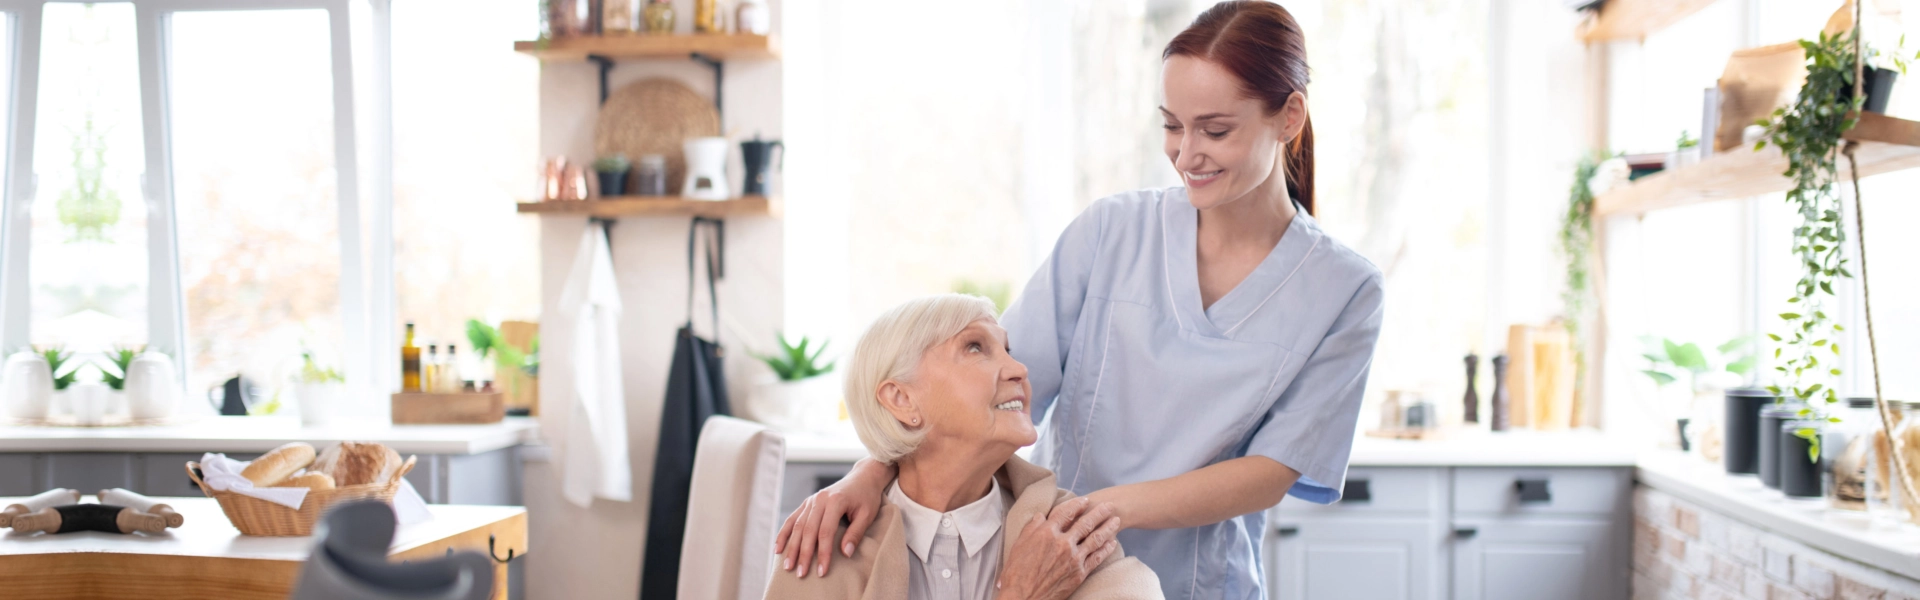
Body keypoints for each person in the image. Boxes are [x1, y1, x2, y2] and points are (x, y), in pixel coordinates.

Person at [776, 2, 1385, 598]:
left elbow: (1271, 472)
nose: (1186, 153)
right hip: (1055, 575)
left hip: (1194, 580)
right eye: (1172, 125)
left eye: (1216, 130)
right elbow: (996, 395)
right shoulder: (1111, 232)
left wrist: (1095, 513)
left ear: (1289, 117)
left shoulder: (1344, 290)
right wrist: (870, 474)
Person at [764, 294, 1162, 600]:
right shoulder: (821, 550)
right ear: (902, 400)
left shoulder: (1068, 543)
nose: (1018, 369)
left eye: (1008, 350)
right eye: (975, 347)